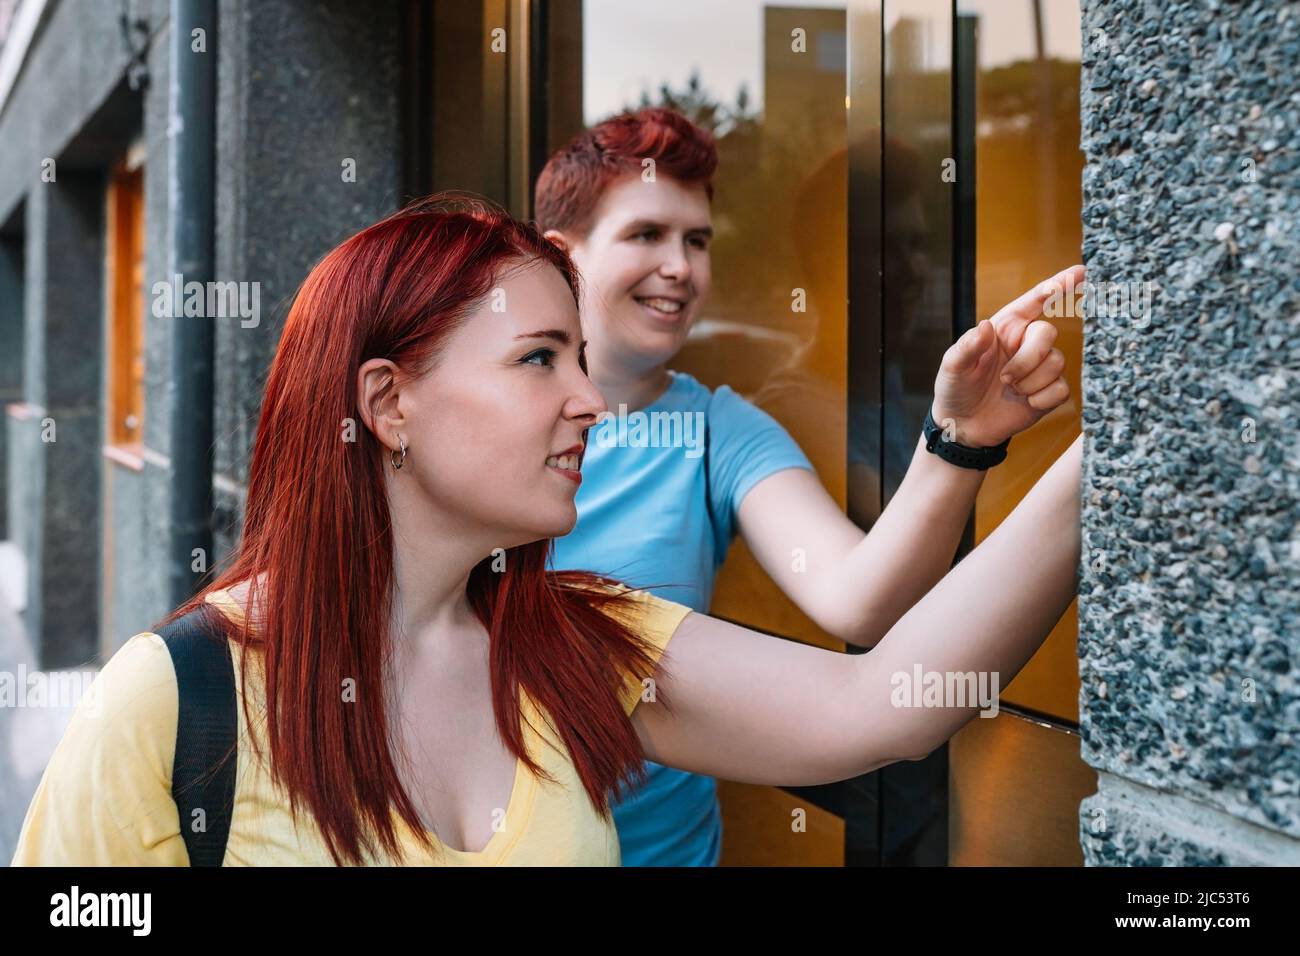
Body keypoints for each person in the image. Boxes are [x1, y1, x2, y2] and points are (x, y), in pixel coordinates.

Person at [11, 193, 1082, 867]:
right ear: (388, 403)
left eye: (581, 358)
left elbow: (885, 704)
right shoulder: (173, 697)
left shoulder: (576, 634)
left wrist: (1068, 451)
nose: (589, 401)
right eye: (538, 359)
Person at [536, 108, 1080, 865]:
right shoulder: (474, 418)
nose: (681, 267)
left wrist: (961, 440)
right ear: (561, 260)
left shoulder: (722, 431)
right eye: (646, 235)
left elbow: (861, 595)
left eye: (697, 240)